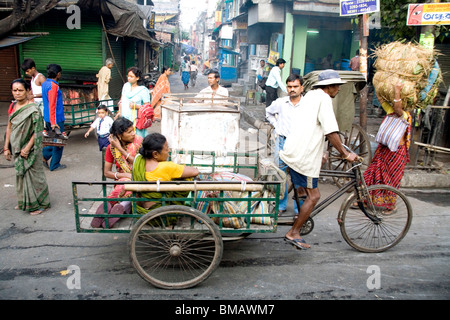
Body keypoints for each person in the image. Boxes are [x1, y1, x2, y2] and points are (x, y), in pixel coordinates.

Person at [280, 69, 358, 250]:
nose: (338, 89)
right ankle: (294, 232)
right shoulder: (323, 99)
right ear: (329, 86)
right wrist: (345, 154)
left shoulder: (311, 96)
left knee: (304, 191)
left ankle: (298, 221)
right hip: (303, 156)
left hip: (295, 151)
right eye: (337, 86)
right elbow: (330, 130)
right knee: (314, 195)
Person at [3, 79, 51, 215]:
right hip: (17, 147)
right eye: (14, 90)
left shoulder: (33, 109)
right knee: (21, 175)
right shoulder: (13, 107)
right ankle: (25, 201)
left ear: (27, 91)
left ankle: (42, 204)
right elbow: (9, 127)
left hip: (30, 149)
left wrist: (27, 148)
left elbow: (37, 131)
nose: (17, 93)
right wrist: (7, 147)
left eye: (20, 90)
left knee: (35, 176)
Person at [362, 83, 411, 214]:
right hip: (383, 150)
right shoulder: (389, 110)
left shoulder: (405, 115)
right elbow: (381, 99)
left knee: (391, 180)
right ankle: (364, 200)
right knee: (370, 174)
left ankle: (391, 206)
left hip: (396, 153)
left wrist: (397, 91)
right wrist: (379, 84)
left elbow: (398, 108)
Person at [90, 117, 143, 228]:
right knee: (125, 183)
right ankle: (117, 208)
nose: (133, 134)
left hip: (141, 178)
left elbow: (140, 164)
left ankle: (111, 205)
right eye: (129, 132)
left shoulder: (140, 142)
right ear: (119, 135)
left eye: (133, 130)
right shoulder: (111, 148)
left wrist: (120, 148)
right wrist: (124, 175)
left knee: (129, 186)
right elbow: (107, 173)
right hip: (122, 181)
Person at [265, 74, 304, 216]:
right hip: (282, 142)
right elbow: (268, 113)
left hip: (299, 143)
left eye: (295, 86)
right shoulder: (280, 102)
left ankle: (298, 209)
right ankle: (281, 206)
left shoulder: (307, 105)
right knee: (280, 176)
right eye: (289, 86)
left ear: (302, 88)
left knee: (299, 177)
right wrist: (276, 125)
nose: (292, 89)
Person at [132, 132, 200, 214]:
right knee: (186, 179)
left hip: (142, 211)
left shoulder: (139, 160)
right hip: (163, 214)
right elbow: (195, 172)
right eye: (166, 149)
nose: (168, 151)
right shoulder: (165, 167)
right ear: (155, 154)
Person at [42, 63, 67, 171]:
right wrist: (54, 122)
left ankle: (44, 156)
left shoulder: (45, 83)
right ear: (57, 74)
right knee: (59, 142)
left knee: (52, 140)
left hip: (48, 117)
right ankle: (54, 164)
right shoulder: (54, 86)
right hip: (56, 119)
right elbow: (52, 104)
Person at [117, 67, 151, 139]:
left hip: (136, 121)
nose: (129, 78)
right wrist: (119, 111)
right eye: (128, 76)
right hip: (124, 119)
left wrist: (136, 106)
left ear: (137, 78)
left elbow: (148, 108)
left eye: (131, 76)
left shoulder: (143, 90)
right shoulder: (126, 86)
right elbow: (121, 100)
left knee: (137, 140)